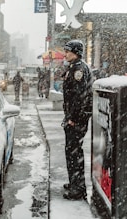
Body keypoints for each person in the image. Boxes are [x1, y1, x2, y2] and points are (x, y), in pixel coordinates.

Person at [61, 39, 93, 200]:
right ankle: (74, 182)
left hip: (77, 120)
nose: (65, 54)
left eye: (68, 51)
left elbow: (79, 97)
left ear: (76, 52)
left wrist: (73, 118)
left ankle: (78, 188)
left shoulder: (78, 69)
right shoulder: (74, 67)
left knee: (74, 153)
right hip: (75, 118)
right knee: (72, 151)